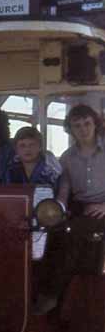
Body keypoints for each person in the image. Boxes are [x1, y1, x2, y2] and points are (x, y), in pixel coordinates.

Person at [34, 104, 105, 314]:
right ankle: (49, 297)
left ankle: (52, 296)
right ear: (71, 130)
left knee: (74, 234)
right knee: (50, 235)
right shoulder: (66, 158)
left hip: (103, 207)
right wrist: (59, 212)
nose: (83, 129)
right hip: (80, 208)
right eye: (77, 126)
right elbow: (64, 191)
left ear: (95, 124)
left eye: (87, 124)